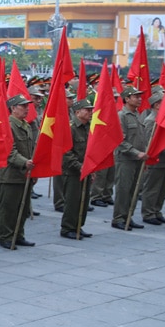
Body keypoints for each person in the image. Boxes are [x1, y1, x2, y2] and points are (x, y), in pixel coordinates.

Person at [0, 95, 37, 249]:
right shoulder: (8, 125)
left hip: (25, 173)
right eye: (23, 106)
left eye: (27, 106)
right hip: (11, 174)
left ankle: (18, 234)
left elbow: (30, 148)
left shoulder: (25, 125)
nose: (27, 109)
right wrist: (25, 162)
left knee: (23, 206)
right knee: (9, 208)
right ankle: (6, 236)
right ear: (13, 108)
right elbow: (9, 151)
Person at [139, 89, 165, 226]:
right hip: (156, 160)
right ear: (156, 105)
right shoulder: (151, 121)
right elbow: (149, 142)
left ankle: (157, 211)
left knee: (162, 189)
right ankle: (148, 213)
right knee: (152, 188)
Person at [112, 86, 148, 230]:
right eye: (136, 96)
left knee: (134, 190)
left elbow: (141, 138)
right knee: (123, 190)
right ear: (127, 99)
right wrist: (135, 152)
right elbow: (120, 140)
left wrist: (142, 155)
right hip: (126, 159)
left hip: (138, 159)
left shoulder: (137, 114)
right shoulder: (122, 116)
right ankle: (118, 218)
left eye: (140, 96)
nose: (139, 99)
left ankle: (128, 216)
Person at [61, 98, 94, 239]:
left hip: (85, 169)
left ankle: (78, 225)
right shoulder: (71, 128)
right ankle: (68, 228)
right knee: (73, 200)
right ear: (77, 112)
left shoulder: (88, 127)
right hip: (72, 171)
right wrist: (80, 167)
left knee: (84, 199)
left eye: (91, 109)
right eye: (87, 109)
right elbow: (66, 152)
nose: (90, 112)